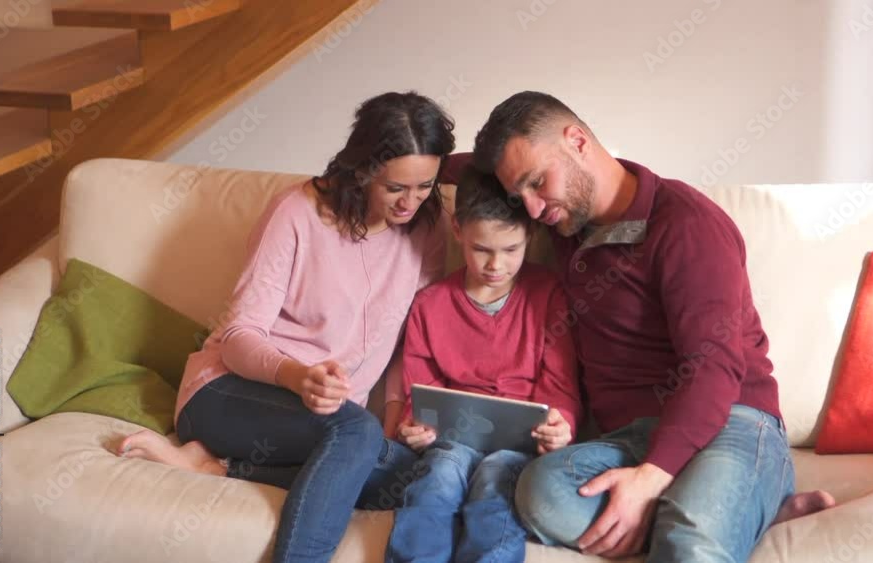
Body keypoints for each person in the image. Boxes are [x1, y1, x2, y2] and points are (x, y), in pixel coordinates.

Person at [453, 91, 834, 562]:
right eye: (518, 196)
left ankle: (714, 511)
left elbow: (712, 369)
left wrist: (650, 478)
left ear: (577, 141)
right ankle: (742, 513)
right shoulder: (566, 219)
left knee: (689, 546)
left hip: (729, 418)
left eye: (536, 183)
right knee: (540, 492)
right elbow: (459, 168)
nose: (531, 210)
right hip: (629, 438)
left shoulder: (686, 225)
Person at [115, 91, 456, 563]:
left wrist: (399, 410)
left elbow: (409, 340)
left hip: (328, 426)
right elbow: (237, 339)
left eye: (425, 186)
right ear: (363, 169)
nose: (411, 202)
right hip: (227, 393)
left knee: (417, 476)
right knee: (356, 437)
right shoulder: (297, 212)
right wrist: (299, 377)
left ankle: (218, 467)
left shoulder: (427, 229)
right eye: (397, 187)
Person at [384, 166, 583, 563]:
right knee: (435, 482)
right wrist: (416, 424)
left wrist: (560, 425)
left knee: (496, 485)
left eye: (511, 250)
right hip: (450, 441)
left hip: (518, 445)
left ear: (530, 235)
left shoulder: (547, 295)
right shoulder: (431, 304)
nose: (496, 265)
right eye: (481, 249)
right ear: (458, 231)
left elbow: (560, 385)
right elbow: (420, 388)